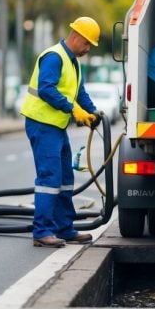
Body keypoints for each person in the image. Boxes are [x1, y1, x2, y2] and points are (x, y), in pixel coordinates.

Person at [19, 16, 103, 248]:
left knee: (66, 178)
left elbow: (79, 92)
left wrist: (93, 112)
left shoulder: (73, 61)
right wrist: (72, 109)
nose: (87, 49)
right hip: (42, 124)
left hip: (56, 126)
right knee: (49, 179)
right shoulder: (54, 56)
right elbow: (46, 89)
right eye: (86, 43)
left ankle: (64, 228)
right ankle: (42, 232)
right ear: (75, 36)